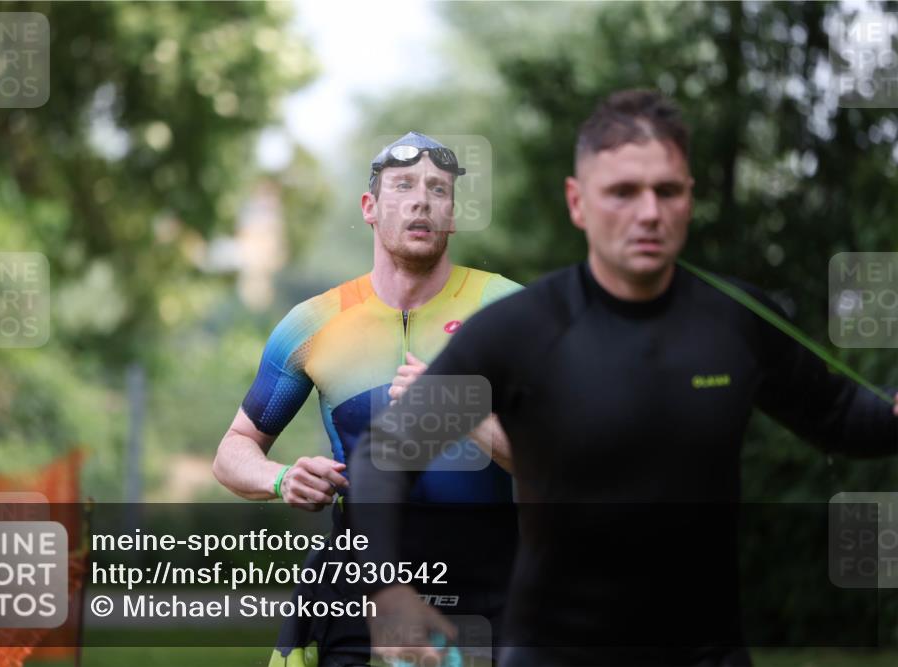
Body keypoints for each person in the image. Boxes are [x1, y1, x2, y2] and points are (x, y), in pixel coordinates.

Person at [348, 90, 898, 666]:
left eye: (667, 190)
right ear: (578, 202)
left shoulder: (737, 321)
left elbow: (845, 419)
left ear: (690, 197)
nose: (649, 212)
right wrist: (387, 590)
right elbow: (387, 452)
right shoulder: (524, 331)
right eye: (623, 192)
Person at [212, 131, 521, 666]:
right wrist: (281, 478)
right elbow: (233, 451)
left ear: (452, 213)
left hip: (485, 583)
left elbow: (565, 461)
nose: (422, 199)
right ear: (370, 208)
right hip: (357, 585)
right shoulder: (313, 323)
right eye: (403, 186)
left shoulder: (508, 310)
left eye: (438, 190)